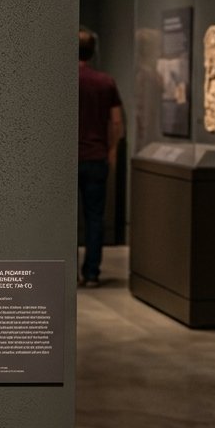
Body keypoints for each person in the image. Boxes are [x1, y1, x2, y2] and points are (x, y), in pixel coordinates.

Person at [78, 27, 124, 286]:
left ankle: (66, 271)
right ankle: (92, 273)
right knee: (95, 217)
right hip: (96, 156)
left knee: (63, 218)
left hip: (66, 160)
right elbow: (116, 121)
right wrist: (112, 150)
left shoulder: (62, 80)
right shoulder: (105, 82)